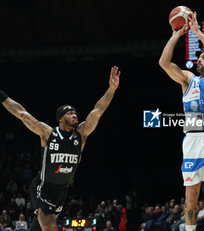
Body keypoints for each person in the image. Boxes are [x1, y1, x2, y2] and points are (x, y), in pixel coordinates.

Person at [0, 66, 121, 231]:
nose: (75, 115)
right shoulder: (48, 133)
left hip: (62, 192)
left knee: (38, 228)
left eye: (75, 113)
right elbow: (22, 113)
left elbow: (97, 111)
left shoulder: (81, 134)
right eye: (70, 113)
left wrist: (111, 89)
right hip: (43, 188)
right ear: (60, 118)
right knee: (50, 227)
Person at [159, 11, 204, 231]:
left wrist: (198, 32)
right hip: (193, 140)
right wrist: (175, 35)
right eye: (199, 58)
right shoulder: (188, 79)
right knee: (191, 195)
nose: (200, 59)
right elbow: (163, 62)